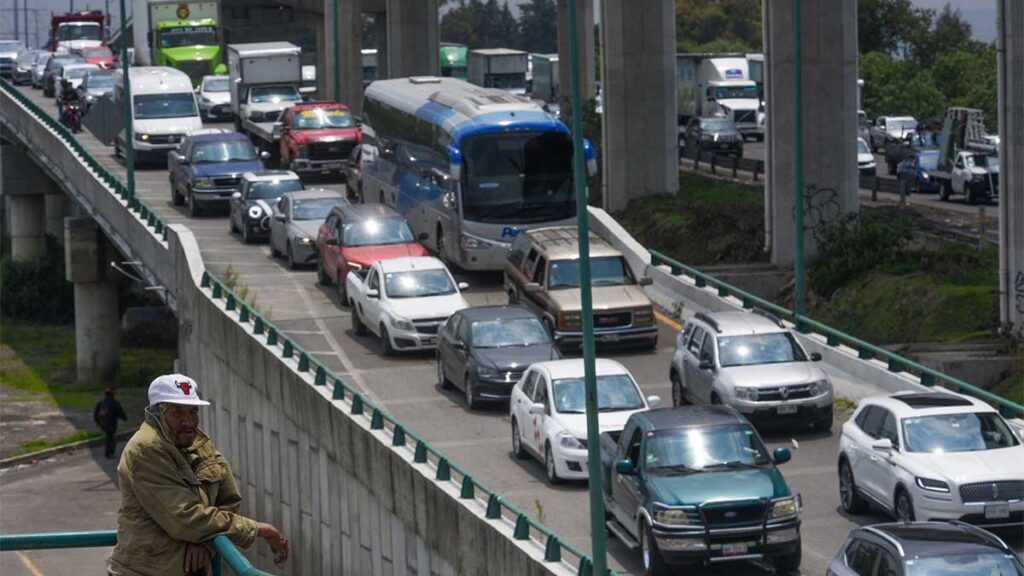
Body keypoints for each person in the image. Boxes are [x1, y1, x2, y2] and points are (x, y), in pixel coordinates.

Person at [109, 374, 289, 576]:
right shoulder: (146, 449)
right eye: (178, 413)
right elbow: (185, 518)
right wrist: (258, 529)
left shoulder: (198, 442)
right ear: (158, 413)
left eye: (193, 411)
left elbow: (228, 499)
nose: (189, 421)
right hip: (146, 571)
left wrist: (205, 541)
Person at [93, 387, 127, 459]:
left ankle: (109, 451)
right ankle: (109, 452)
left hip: (103, 423)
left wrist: (98, 422)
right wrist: (124, 418)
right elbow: (120, 412)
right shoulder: (115, 402)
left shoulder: (101, 402)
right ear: (112, 394)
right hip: (112, 424)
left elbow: (96, 414)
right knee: (111, 437)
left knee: (109, 436)